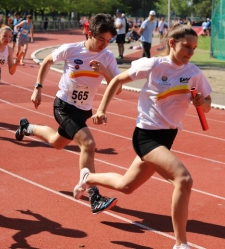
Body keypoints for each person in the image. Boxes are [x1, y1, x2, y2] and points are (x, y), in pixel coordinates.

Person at [73, 23, 212, 249]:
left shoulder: (193, 73)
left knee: (126, 186)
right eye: (187, 46)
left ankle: (88, 178)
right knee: (183, 179)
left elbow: (207, 105)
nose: (190, 52)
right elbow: (117, 80)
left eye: (194, 48)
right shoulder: (154, 65)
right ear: (172, 43)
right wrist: (101, 110)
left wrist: (201, 102)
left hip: (167, 138)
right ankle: (181, 244)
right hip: (146, 137)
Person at [15, 13, 121, 214]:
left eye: (108, 41)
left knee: (57, 142)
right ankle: (94, 196)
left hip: (83, 110)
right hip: (63, 106)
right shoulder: (71, 50)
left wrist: (104, 72)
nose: (104, 45)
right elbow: (46, 60)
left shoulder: (107, 57)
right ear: (90, 33)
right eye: (101, 40)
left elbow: (118, 87)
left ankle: (26, 127)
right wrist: (38, 87)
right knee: (88, 144)